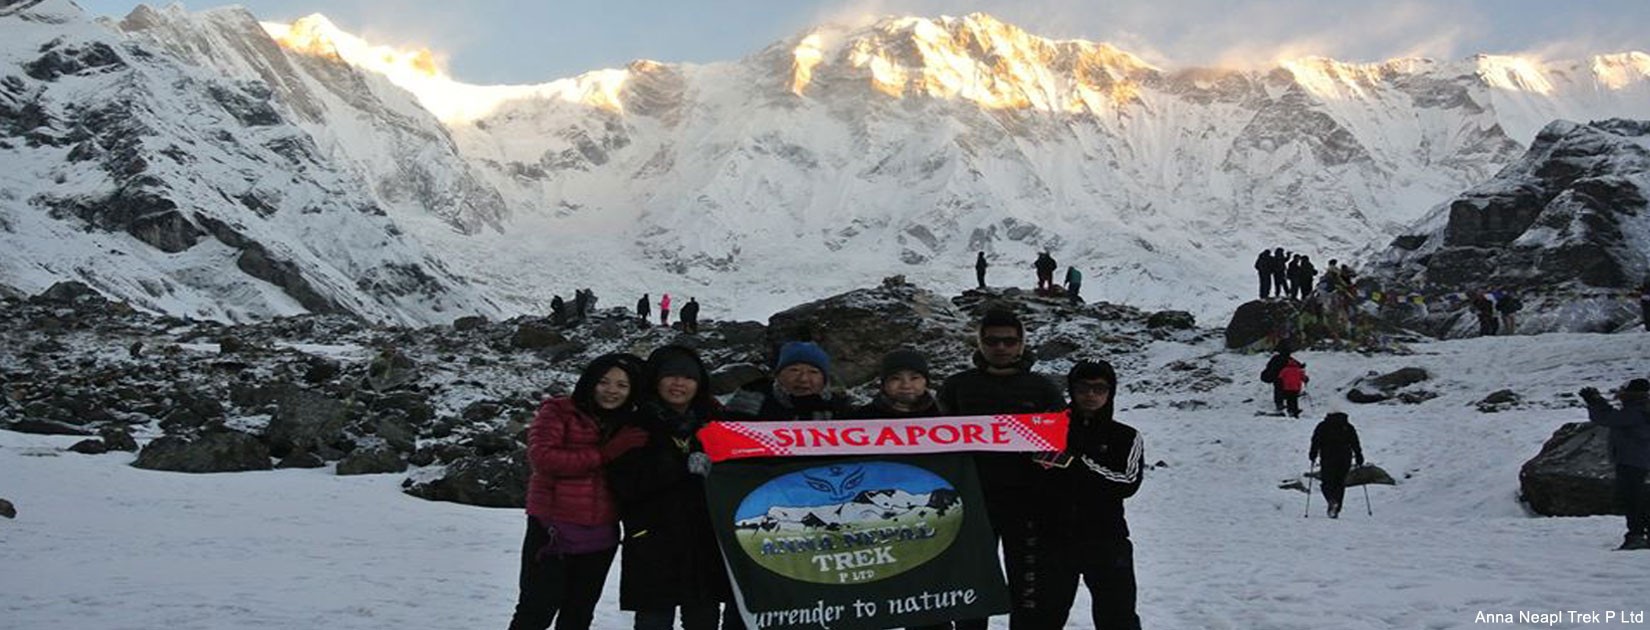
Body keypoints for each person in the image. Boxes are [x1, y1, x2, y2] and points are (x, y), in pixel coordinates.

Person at [938, 308, 1067, 629]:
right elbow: (932, 437)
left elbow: (1063, 444)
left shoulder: (1043, 388)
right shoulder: (957, 387)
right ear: (979, 342)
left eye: (1009, 341)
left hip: (1027, 504)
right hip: (970, 503)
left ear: (1022, 343)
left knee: (1027, 586)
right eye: (992, 340)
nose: (1001, 347)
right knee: (971, 584)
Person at [606, 346, 742, 628]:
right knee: (654, 620)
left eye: (688, 378)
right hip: (652, 541)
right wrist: (680, 467)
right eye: (671, 376)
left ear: (699, 383)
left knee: (703, 619)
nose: (679, 384)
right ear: (656, 379)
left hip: (704, 543)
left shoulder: (716, 423)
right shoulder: (633, 422)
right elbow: (624, 484)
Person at [510, 353, 648, 630]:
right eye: (604, 382)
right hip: (552, 531)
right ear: (589, 382)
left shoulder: (628, 423)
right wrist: (605, 453)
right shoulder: (560, 411)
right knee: (535, 611)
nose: (612, 391)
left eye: (622, 385)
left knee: (579, 615)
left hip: (601, 536)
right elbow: (543, 458)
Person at [1033, 360, 1143, 629]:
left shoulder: (1125, 436)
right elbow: (1027, 472)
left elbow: (1127, 483)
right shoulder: (1047, 427)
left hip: (1106, 539)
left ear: (1110, 392)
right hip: (1053, 539)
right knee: (1042, 617)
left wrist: (1077, 463)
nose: (1091, 395)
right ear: (1072, 389)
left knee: (1117, 617)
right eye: (1083, 388)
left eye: (1099, 388)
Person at [1578, 379, 1650, 550]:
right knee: (1638, 497)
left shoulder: (1636, 411)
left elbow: (1608, 418)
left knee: (1632, 499)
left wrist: (1595, 401)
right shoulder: (1642, 409)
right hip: (1639, 460)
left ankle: (1636, 536)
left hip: (1632, 460)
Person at [722, 341, 854, 421]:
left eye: (813, 372)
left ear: (824, 379)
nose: (803, 379)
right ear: (778, 375)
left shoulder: (839, 407)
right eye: (794, 370)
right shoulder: (751, 398)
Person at [853, 349, 940, 420]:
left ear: (925, 382)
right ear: (884, 384)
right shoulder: (860, 418)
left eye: (914, 378)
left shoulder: (943, 414)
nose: (906, 385)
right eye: (896, 378)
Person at [1309, 411, 1364, 518]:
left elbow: (1315, 440)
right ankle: (1336, 508)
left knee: (1326, 482)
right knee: (1339, 483)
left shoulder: (1323, 426)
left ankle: (1331, 500)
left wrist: (1313, 454)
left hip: (1328, 457)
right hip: (1345, 458)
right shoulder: (1348, 427)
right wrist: (1359, 455)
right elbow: (1355, 442)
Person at [1260, 344, 1296, 416]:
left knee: (1278, 390)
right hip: (1286, 378)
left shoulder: (1276, 358)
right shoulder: (1290, 359)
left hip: (1277, 377)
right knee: (1287, 392)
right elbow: (1296, 365)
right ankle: (1290, 406)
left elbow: (1269, 366)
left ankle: (1279, 404)